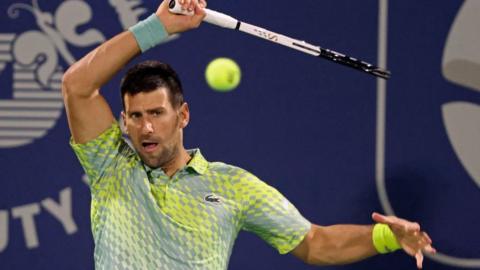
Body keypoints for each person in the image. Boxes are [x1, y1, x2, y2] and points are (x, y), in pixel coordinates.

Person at [62, 0, 436, 269]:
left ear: (183, 115)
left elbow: (313, 243)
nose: (146, 127)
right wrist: (158, 27)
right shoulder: (110, 165)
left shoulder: (232, 186)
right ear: (124, 122)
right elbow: (76, 85)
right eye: (136, 116)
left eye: (157, 113)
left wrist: (388, 238)